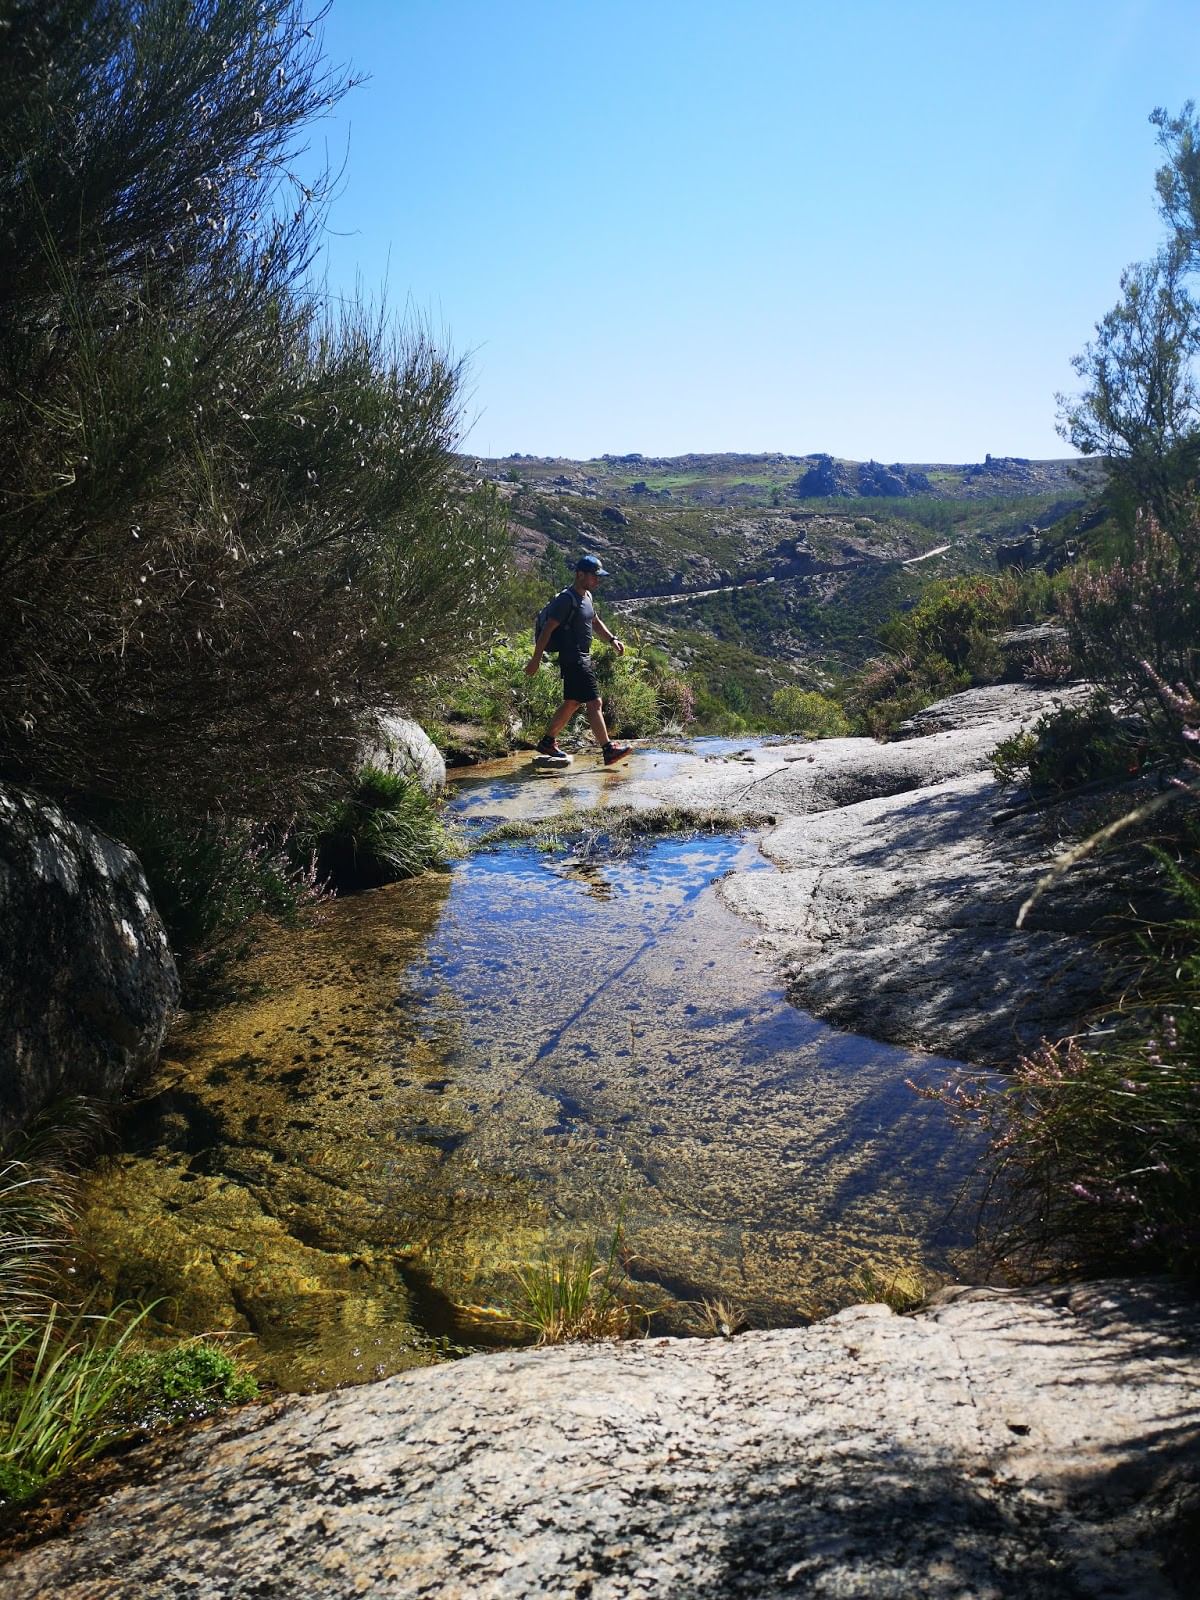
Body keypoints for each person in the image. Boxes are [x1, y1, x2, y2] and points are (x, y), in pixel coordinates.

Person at [525, 554, 632, 766]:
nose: (597, 580)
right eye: (594, 576)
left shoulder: (587, 597)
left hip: (582, 656)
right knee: (595, 702)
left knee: (573, 702)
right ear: (580, 574)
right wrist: (535, 659)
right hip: (573, 658)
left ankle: (548, 742)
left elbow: (594, 620)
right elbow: (547, 630)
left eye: (598, 577)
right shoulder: (566, 599)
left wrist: (612, 639)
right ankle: (608, 750)